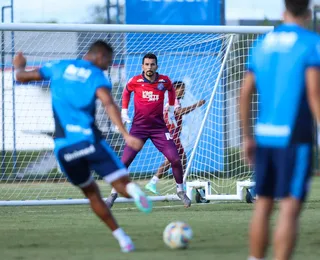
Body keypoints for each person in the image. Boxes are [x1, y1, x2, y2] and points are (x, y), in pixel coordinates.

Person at [13, 40, 152, 253]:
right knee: (121, 185)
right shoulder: (96, 76)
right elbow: (108, 104)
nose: (108, 66)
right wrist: (125, 134)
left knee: (92, 194)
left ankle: (123, 239)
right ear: (99, 56)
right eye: (109, 61)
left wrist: (19, 64)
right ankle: (133, 190)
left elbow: (21, 77)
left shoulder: (58, 66)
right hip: (90, 142)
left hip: (65, 149)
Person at [239, 1, 320, 259]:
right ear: (308, 13)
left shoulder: (262, 43)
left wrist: (247, 137)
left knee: (263, 203)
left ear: (283, 13)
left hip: (264, 136)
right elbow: (314, 94)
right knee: (289, 207)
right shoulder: (311, 43)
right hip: (294, 137)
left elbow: (244, 93)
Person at [106, 53, 191, 208]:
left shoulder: (164, 81)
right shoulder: (135, 81)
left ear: (156, 66)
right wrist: (124, 111)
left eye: (152, 64)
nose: (149, 67)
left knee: (175, 158)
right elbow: (126, 91)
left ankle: (180, 190)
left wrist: (171, 108)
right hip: (139, 129)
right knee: (124, 162)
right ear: (142, 66)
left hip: (159, 129)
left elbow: (171, 90)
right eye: (146, 64)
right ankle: (113, 194)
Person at [145, 81, 205, 194]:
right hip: (170, 135)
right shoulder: (174, 101)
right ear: (175, 89)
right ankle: (153, 182)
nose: (184, 91)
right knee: (171, 160)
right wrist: (196, 105)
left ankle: (182, 184)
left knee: (182, 158)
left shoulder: (172, 101)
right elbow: (179, 112)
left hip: (173, 135)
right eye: (182, 89)